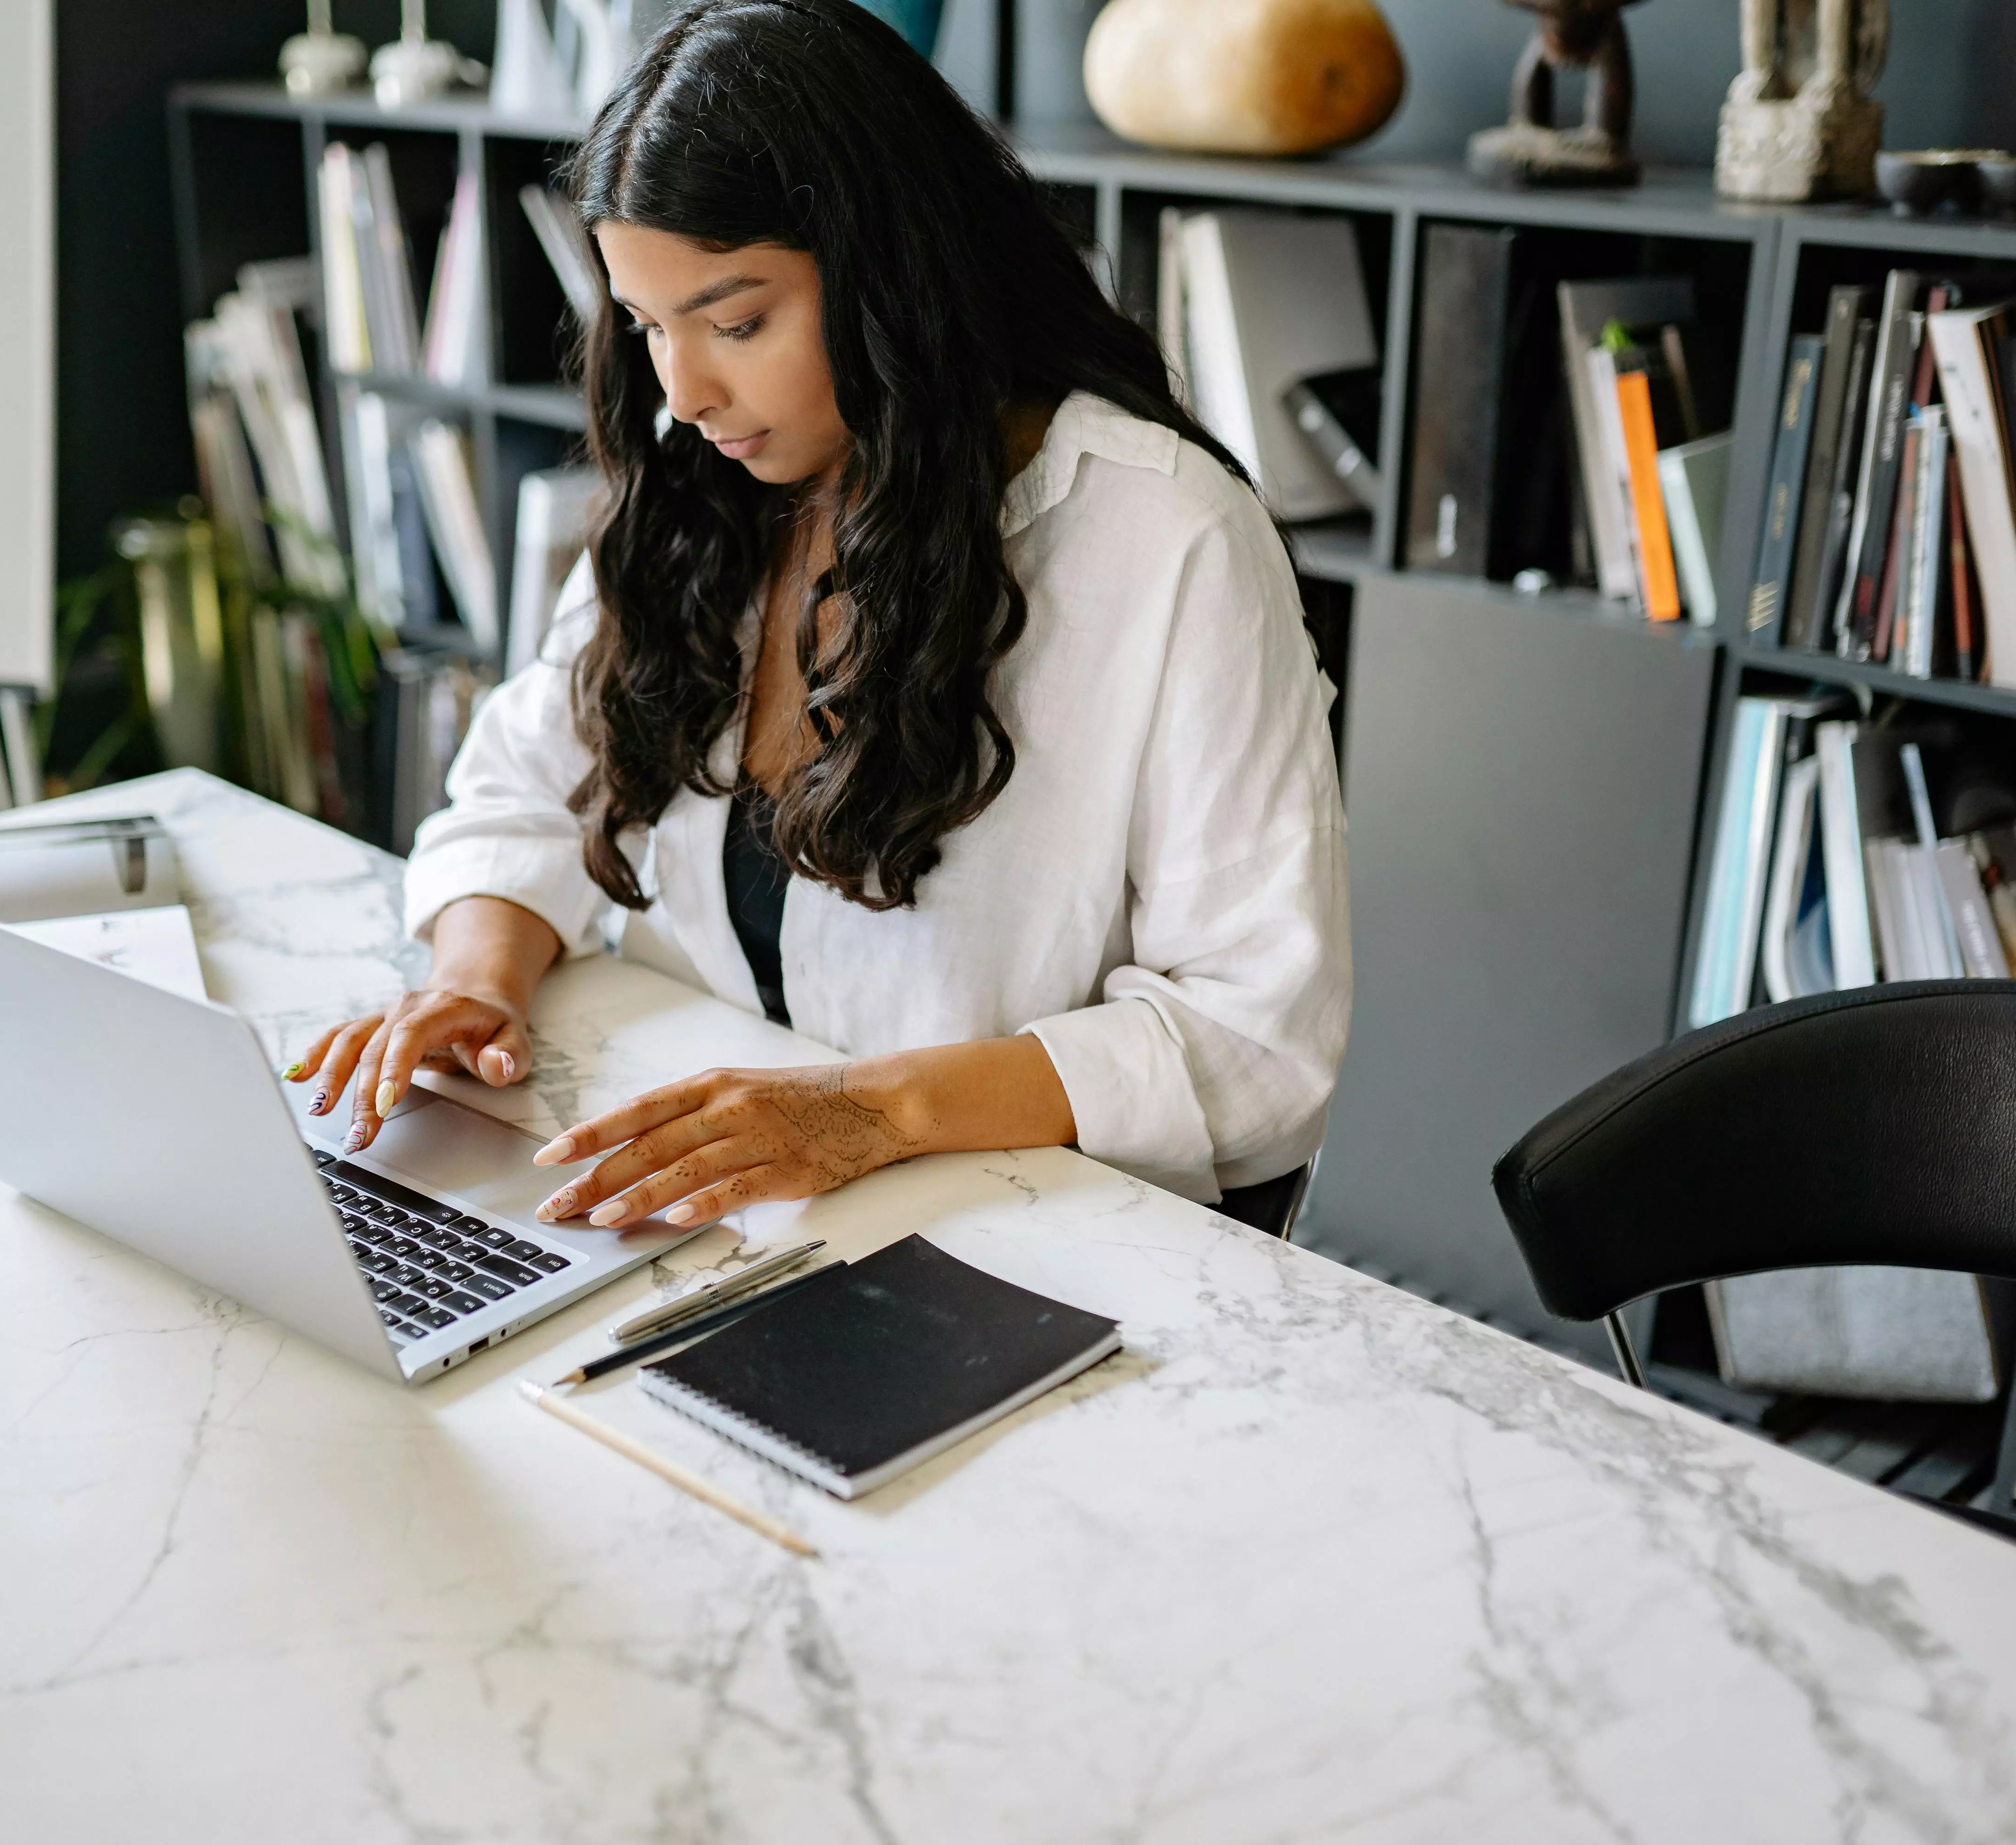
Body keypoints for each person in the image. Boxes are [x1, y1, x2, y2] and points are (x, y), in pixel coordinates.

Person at [292, 0, 1349, 1234]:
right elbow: (528, 784)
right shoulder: (705, 488)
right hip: (716, 1207)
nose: (683, 394)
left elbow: (1254, 1034)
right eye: (648, 327)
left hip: (1018, 1237)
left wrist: (869, 1112)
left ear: (894, 277)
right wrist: (475, 979)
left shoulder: (1168, 540)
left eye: (737, 322)